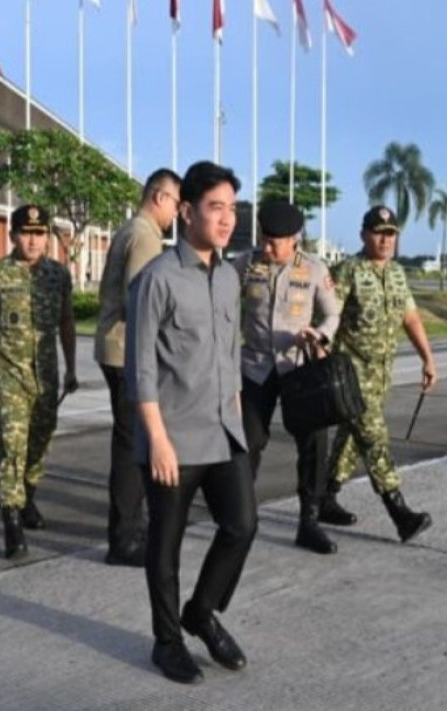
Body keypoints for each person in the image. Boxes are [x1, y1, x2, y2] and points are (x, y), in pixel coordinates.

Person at [127, 161, 256, 685]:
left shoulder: (228, 277)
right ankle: (167, 641)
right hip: (173, 437)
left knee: (242, 525)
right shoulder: (156, 279)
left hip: (224, 430)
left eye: (231, 209)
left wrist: (240, 408)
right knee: (166, 544)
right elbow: (140, 367)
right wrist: (156, 440)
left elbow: (230, 350)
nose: (226, 219)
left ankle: (200, 612)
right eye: (215, 207)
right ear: (186, 212)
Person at [0, 205, 77, 559]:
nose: (34, 239)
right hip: (9, 377)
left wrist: (71, 368)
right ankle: (11, 520)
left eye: (40, 233)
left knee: (40, 443)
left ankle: (27, 497)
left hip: (47, 377)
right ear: (12, 235)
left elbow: (67, 322)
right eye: (26, 232)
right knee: (13, 447)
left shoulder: (58, 275)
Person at [325, 206, 438, 543]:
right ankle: (399, 512)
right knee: (374, 438)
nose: (385, 240)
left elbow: (411, 319)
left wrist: (427, 359)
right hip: (351, 373)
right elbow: (329, 318)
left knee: (351, 438)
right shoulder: (348, 271)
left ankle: (324, 497)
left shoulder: (398, 274)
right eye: (378, 232)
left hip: (382, 375)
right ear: (363, 235)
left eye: (391, 234)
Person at [234, 201, 341, 555]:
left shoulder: (313, 269)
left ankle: (308, 521)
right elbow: (219, 298)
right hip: (255, 368)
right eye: (265, 239)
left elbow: (333, 315)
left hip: (298, 368)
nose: (268, 248)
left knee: (313, 444)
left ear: (294, 238)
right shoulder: (246, 264)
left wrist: (320, 335)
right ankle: (241, 518)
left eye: (275, 242)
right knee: (248, 441)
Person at [93, 168, 181, 567]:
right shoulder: (146, 235)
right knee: (132, 447)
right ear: (160, 198)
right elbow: (141, 300)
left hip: (114, 348)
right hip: (126, 352)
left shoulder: (130, 229)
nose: (176, 214)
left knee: (129, 443)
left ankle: (131, 527)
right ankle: (125, 538)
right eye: (177, 204)